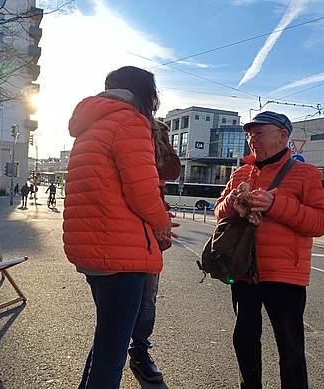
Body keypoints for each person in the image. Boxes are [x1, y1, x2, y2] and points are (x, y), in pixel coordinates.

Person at [63, 66, 174, 389]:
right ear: (145, 93)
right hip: (120, 252)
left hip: (92, 248)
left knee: (106, 341)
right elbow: (142, 191)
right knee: (111, 358)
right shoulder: (131, 121)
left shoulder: (92, 123)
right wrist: (162, 223)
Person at [214, 111, 324, 389]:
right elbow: (219, 211)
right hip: (243, 269)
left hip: (284, 275)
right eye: (250, 134)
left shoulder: (306, 173)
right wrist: (232, 203)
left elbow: (322, 221)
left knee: (290, 347)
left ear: (283, 136)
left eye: (259, 133)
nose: (252, 139)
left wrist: (274, 205)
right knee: (244, 339)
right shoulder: (241, 173)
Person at [128, 119, 181, 383]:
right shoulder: (116, 125)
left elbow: (173, 168)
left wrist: (159, 140)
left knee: (148, 293)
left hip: (152, 221)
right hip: (122, 223)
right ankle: (112, 350)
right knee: (119, 300)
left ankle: (139, 350)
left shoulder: (157, 129)